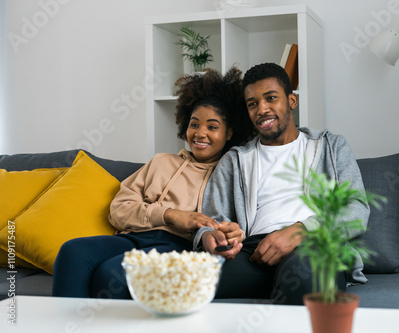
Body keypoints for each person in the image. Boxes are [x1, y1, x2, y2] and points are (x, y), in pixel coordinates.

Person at [52, 67, 255, 298]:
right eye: (194, 124)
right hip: (132, 236)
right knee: (72, 251)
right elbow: (118, 211)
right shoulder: (161, 162)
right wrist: (170, 215)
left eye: (212, 126)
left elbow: (232, 226)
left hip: (178, 246)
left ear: (229, 133)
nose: (200, 133)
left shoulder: (228, 173)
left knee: (113, 273)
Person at [194, 62, 370, 305]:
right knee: (186, 281)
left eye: (271, 98)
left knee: (305, 278)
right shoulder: (235, 159)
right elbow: (210, 219)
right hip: (253, 252)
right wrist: (210, 235)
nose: (261, 109)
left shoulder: (331, 146)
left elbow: (357, 210)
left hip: (312, 246)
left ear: (292, 101)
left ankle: (283, 285)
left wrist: (301, 230)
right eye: (252, 104)